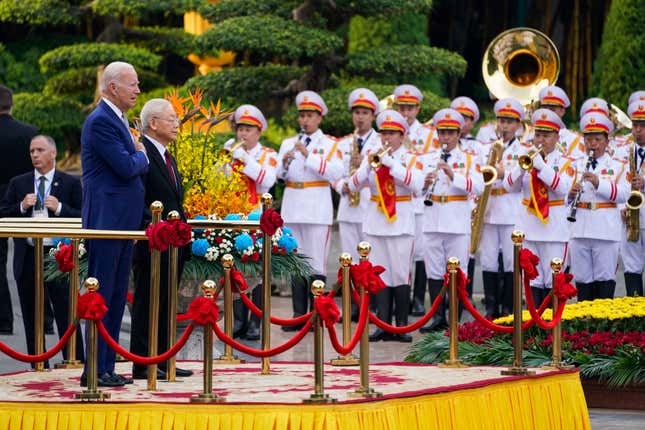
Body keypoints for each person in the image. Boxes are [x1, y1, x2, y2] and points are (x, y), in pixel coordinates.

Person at [80, 61, 148, 387]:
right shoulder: (101, 122)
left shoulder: (117, 118)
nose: (137, 90)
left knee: (118, 295)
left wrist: (135, 152)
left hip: (121, 222)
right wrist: (141, 154)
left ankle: (106, 366)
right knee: (102, 293)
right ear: (112, 88)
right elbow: (125, 166)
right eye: (132, 84)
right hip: (106, 220)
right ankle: (93, 367)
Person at [0, 135, 84, 366]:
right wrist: (21, 206)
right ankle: (37, 363)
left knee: (66, 310)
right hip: (28, 254)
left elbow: (84, 215)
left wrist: (60, 209)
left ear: (53, 153)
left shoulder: (69, 182)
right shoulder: (19, 183)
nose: (35, 155)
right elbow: (4, 212)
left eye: (39, 150)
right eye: (32, 151)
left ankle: (74, 360)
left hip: (58, 255)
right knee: (31, 311)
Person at [347, 109, 424, 342]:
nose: (387, 138)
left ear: (402, 136)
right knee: (379, 274)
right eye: (384, 133)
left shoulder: (411, 158)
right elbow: (352, 186)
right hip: (375, 219)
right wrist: (366, 168)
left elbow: (417, 184)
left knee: (400, 274)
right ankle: (382, 323)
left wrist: (390, 164)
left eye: (392, 133)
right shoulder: (373, 156)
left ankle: (400, 326)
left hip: (400, 221)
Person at [130, 99, 193, 379]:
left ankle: (164, 357)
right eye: (171, 119)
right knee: (147, 301)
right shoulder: (142, 152)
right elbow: (137, 194)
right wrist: (148, 226)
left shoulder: (167, 154)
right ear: (153, 123)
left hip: (173, 243)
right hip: (153, 243)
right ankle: (144, 362)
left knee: (167, 301)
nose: (177, 124)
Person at [277, 91, 343, 330]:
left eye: (309, 116)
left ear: (319, 118)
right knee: (296, 260)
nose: (305, 120)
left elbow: (337, 173)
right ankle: (298, 316)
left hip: (316, 206)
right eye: (302, 116)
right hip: (293, 205)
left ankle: (315, 317)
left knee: (315, 262)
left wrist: (308, 156)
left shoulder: (330, 144)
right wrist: (284, 163)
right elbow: (279, 176)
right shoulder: (288, 143)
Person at [419, 108, 484, 332]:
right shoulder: (428, 158)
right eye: (442, 132)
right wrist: (425, 184)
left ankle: (454, 318)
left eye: (449, 133)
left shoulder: (470, 159)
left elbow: (479, 185)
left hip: (456, 220)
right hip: (432, 218)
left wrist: (453, 175)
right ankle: (437, 317)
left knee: (457, 271)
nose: (445, 137)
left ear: (458, 134)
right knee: (435, 271)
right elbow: (414, 189)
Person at [503, 109, 574, 305]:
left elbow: (562, 189)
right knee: (533, 280)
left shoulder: (566, 161)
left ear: (557, 136)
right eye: (538, 134)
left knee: (553, 280)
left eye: (546, 135)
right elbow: (508, 186)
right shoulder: (526, 156)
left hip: (554, 229)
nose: (541, 139)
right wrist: (521, 167)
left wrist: (541, 166)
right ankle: (534, 329)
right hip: (529, 227)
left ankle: (553, 331)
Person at [226, 104, 278, 341]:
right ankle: (238, 319)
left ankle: (256, 321)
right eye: (240, 129)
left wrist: (244, 158)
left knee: (257, 270)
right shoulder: (231, 151)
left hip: (257, 218)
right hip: (234, 216)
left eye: (248, 129)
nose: (243, 134)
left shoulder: (268, 154)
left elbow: (266, 181)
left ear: (258, 132)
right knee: (235, 268)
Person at [568, 112, 629, 301]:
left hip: (605, 229)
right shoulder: (575, 164)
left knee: (605, 279)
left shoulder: (619, 165)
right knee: (583, 280)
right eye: (588, 139)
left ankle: (602, 327)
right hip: (580, 228)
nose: (592, 144)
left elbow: (624, 194)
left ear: (607, 141)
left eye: (597, 139)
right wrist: (569, 195)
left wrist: (598, 183)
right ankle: (583, 327)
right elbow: (563, 195)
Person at [479, 98, 530, 318]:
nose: (505, 126)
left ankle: (509, 308)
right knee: (489, 259)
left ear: (518, 125)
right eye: (501, 121)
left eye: (510, 121)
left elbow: (522, 180)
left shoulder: (523, 151)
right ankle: (491, 309)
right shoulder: (486, 147)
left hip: (510, 209)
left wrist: (503, 173)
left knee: (511, 261)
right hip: (489, 209)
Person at [393, 84, 435, 316]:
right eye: (402, 107)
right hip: (397, 200)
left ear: (418, 108)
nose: (405, 112)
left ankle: (418, 299)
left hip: (420, 199)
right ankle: (398, 299)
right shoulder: (390, 132)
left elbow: (430, 161)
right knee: (400, 254)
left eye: (410, 108)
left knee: (420, 251)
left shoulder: (429, 134)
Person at [0, 85, 38, 335]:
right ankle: (41, 320)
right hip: (25, 198)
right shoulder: (29, 133)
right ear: (11, 104)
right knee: (29, 261)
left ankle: (4, 320)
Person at [333, 88, 381, 264]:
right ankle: (350, 291)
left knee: (370, 257)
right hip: (347, 206)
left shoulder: (380, 142)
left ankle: (369, 292)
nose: (360, 117)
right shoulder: (343, 142)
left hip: (369, 204)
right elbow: (333, 173)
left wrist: (364, 163)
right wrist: (341, 186)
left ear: (373, 116)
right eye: (357, 113)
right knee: (349, 258)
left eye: (365, 113)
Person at [617, 100, 645, 297]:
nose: (638, 131)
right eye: (635, 126)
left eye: (643, 126)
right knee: (632, 268)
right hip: (631, 217)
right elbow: (615, 179)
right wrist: (621, 205)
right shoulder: (622, 151)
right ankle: (636, 321)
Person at [537, 86, 585, 159]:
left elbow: (577, 167)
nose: (547, 113)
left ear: (562, 111)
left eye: (552, 110)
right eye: (544, 108)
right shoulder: (529, 136)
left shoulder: (574, 139)